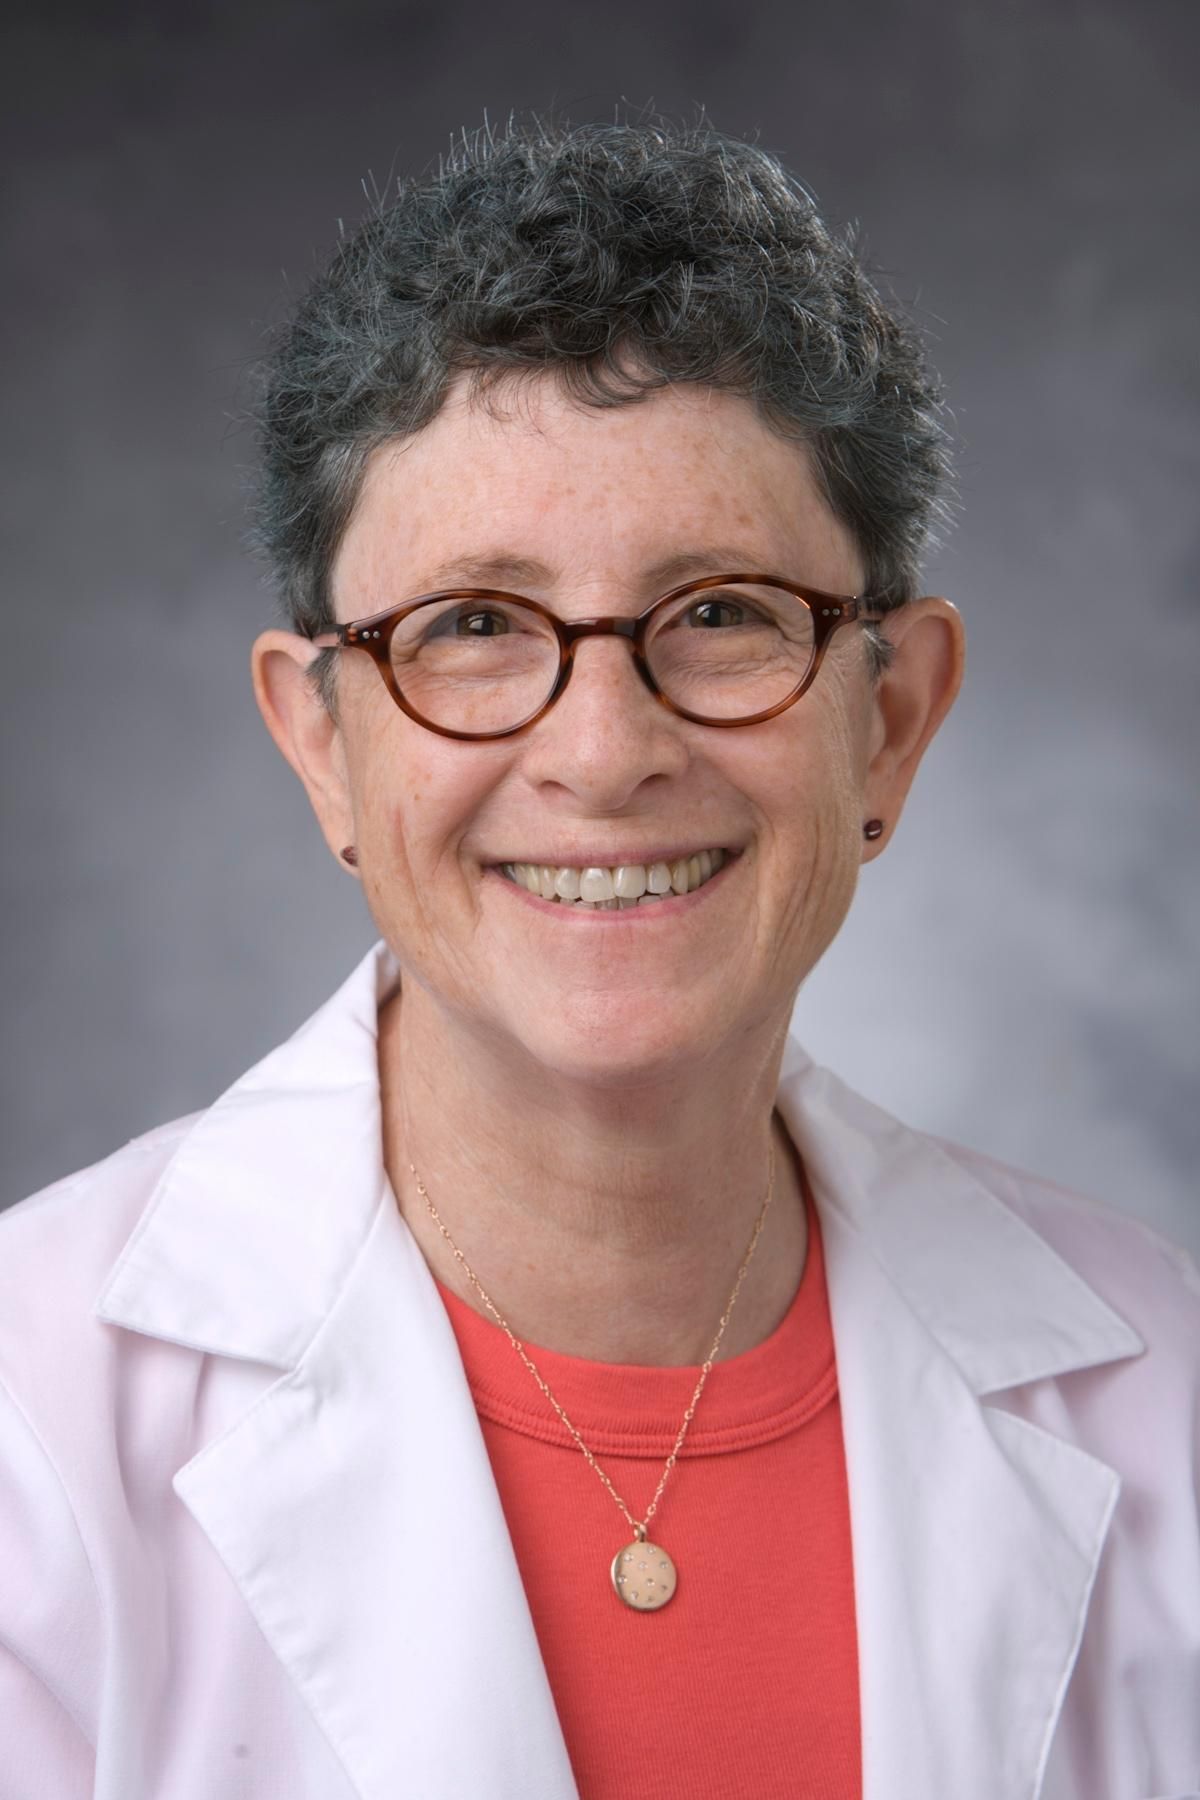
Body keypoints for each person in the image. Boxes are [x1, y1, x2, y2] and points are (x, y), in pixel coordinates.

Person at [1, 119, 1196, 1800]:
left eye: (720, 612)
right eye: (476, 626)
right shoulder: (30, 1425)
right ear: (324, 744)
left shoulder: (1165, 1389)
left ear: (893, 721)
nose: (605, 751)